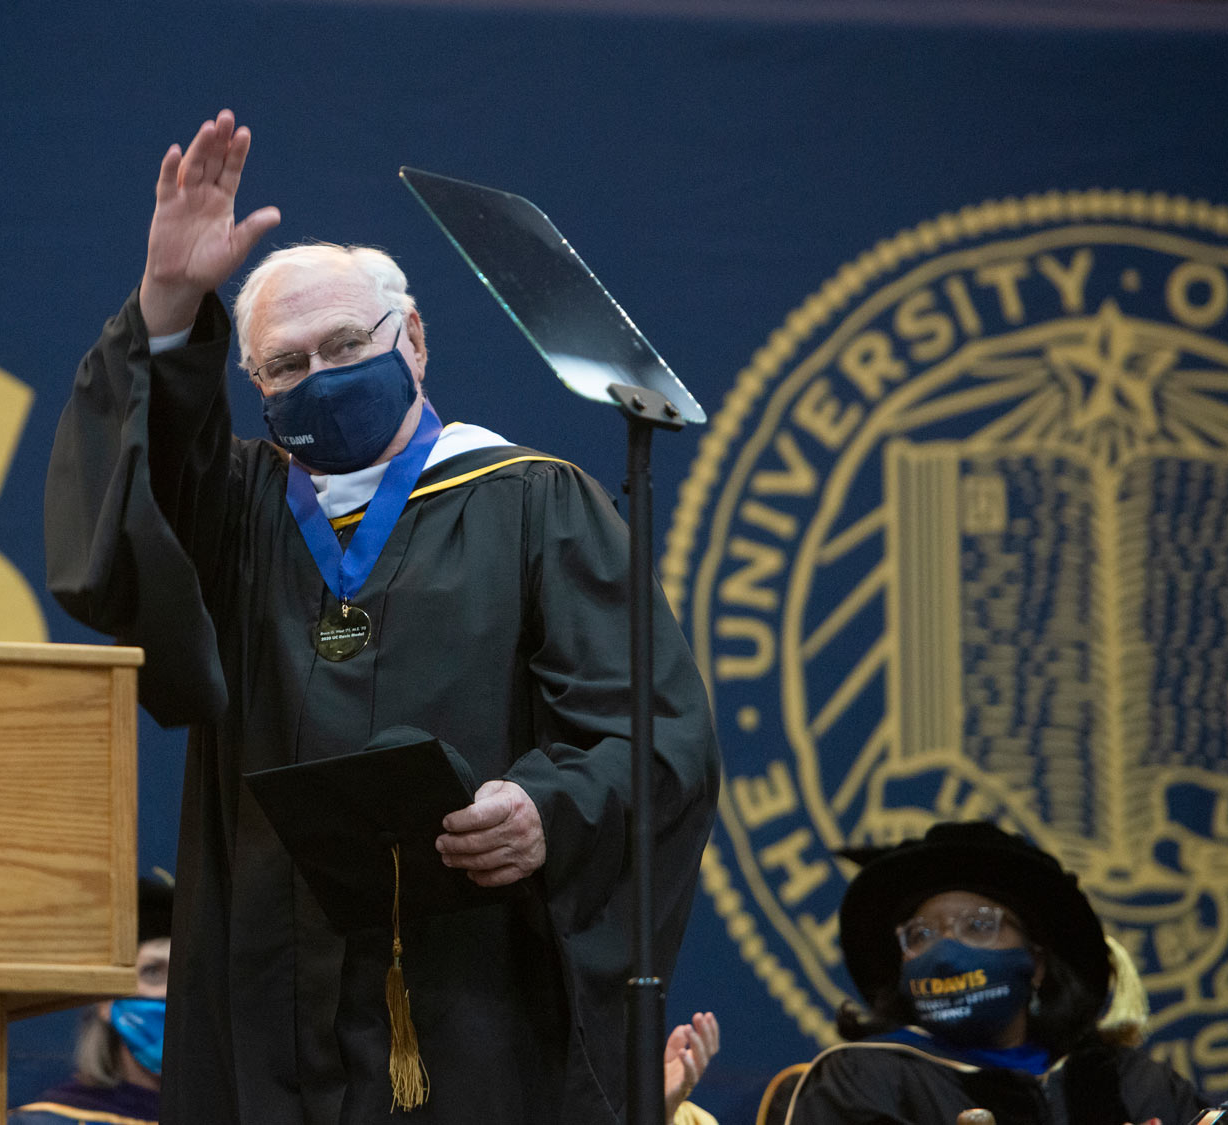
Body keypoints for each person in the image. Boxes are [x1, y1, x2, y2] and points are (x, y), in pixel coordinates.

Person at [43, 110, 720, 1124]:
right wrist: (170, 302)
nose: (316, 376)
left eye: (343, 344)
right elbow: (128, 502)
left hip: (470, 997)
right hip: (267, 991)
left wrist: (547, 809)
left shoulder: (533, 502)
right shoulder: (237, 510)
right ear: (254, 381)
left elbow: (655, 735)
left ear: (410, 337)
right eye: (283, 366)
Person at [784, 821, 1216, 1125]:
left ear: (1038, 964)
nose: (947, 952)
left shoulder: (1135, 1086)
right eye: (921, 934)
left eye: (978, 925)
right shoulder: (864, 1082)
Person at [11, 877, 176, 1125]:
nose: (170, 993)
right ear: (105, 1001)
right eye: (153, 972)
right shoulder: (47, 1121)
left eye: (186, 977)